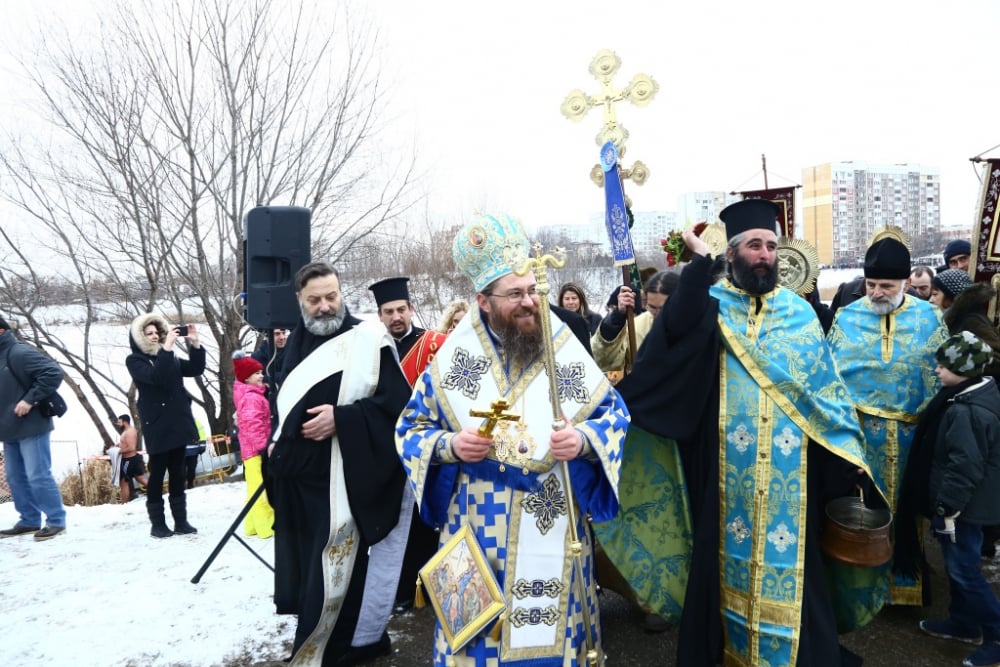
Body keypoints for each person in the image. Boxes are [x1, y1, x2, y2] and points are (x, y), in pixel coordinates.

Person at [615, 198, 879, 666]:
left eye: (771, 246)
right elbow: (670, 338)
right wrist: (698, 264)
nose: (764, 255)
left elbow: (826, 396)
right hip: (723, 477)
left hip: (794, 485)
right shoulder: (711, 306)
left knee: (800, 579)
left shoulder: (799, 315)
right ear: (732, 253)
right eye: (754, 245)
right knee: (719, 575)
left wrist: (849, 457)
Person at [396, 211, 629, 666]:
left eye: (532, 292)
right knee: (481, 641)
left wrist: (582, 441)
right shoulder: (451, 363)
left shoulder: (560, 346)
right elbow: (410, 430)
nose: (528, 303)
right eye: (515, 294)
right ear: (483, 300)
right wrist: (450, 446)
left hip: (555, 521)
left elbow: (614, 416)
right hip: (476, 526)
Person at [268, 261, 411, 666]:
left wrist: (342, 419)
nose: (325, 306)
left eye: (332, 297)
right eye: (315, 300)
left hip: (350, 479)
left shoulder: (368, 340)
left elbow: (397, 409)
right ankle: (326, 644)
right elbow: (285, 404)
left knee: (342, 570)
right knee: (315, 573)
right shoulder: (293, 343)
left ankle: (340, 647)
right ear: (300, 300)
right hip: (304, 482)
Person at [827, 237, 948, 609]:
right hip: (862, 436)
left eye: (887, 286)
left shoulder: (929, 319)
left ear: (906, 284)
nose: (877, 293)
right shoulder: (847, 317)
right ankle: (861, 591)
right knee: (862, 513)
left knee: (908, 511)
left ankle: (903, 588)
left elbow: (941, 375)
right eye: (871, 285)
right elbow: (829, 376)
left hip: (913, 435)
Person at [896, 331, 1000, 667]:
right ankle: (963, 624)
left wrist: (947, 509)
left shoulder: (967, 411)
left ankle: (996, 633)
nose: (937, 370)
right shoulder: (974, 394)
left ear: (965, 369)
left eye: (944, 365)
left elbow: (964, 466)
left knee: (964, 569)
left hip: (964, 509)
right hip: (971, 504)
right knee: (960, 566)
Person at [368, 275, 448, 613]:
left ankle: (436, 588)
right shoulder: (373, 350)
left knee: (429, 521)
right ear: (380, 315)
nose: (396, 316)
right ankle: (401, 590)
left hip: (428, 448)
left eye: (401, 309)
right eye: (389, 311)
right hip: (388, 453)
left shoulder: (434, 345)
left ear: (411, 309)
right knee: (397, 526)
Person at [126, 314, 205, 538]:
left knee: (178, 473)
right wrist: (167, 349)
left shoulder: (168, 356)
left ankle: (181, 521)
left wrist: (196, 344)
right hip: (157, 425)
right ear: (140, 337)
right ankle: (158, 524)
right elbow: (156, 377)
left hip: (178, 422)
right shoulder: (135, 360)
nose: (154, 337)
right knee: (158, 473)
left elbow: (195, 369)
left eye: (156, 333)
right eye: (148, 334)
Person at [0, 316, 67, 541]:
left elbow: (54, 373)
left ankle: (56, 521)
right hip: (8, 428)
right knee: (15, 477)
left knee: (37, 475)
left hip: (32, 426)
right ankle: (29, 520)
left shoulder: (19, 353)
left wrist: (29, 399)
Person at [591, 270, 679, 375]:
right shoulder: (637, 327)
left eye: (664, 308)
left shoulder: (700, 325)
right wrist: (616, 318)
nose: (658, 314)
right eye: (652, 308)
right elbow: (603, 360)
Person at [231, 352, 274, 539]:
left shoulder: (251, 394)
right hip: (256, 452)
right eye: (256, 373)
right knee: (261, 491)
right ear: (246, 378)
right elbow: (252, 425)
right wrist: (263, 447)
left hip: (250, 452)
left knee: (253, 489)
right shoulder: (251, 398)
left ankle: (251, 526)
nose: (261, 375)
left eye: (260, 372)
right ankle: (266, 528)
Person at [116, 414, 148, 503]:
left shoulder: (130, 432)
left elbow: (131, 448)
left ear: (125, 422)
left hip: (129, 460)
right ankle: (156, 492)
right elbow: (126, 444)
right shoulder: (126, 431)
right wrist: (117, 446)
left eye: (119, 422)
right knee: (140, 478)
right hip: (131, 459)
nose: (118, 424)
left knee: (123, 482)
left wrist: (118, 451)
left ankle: (124, 504)